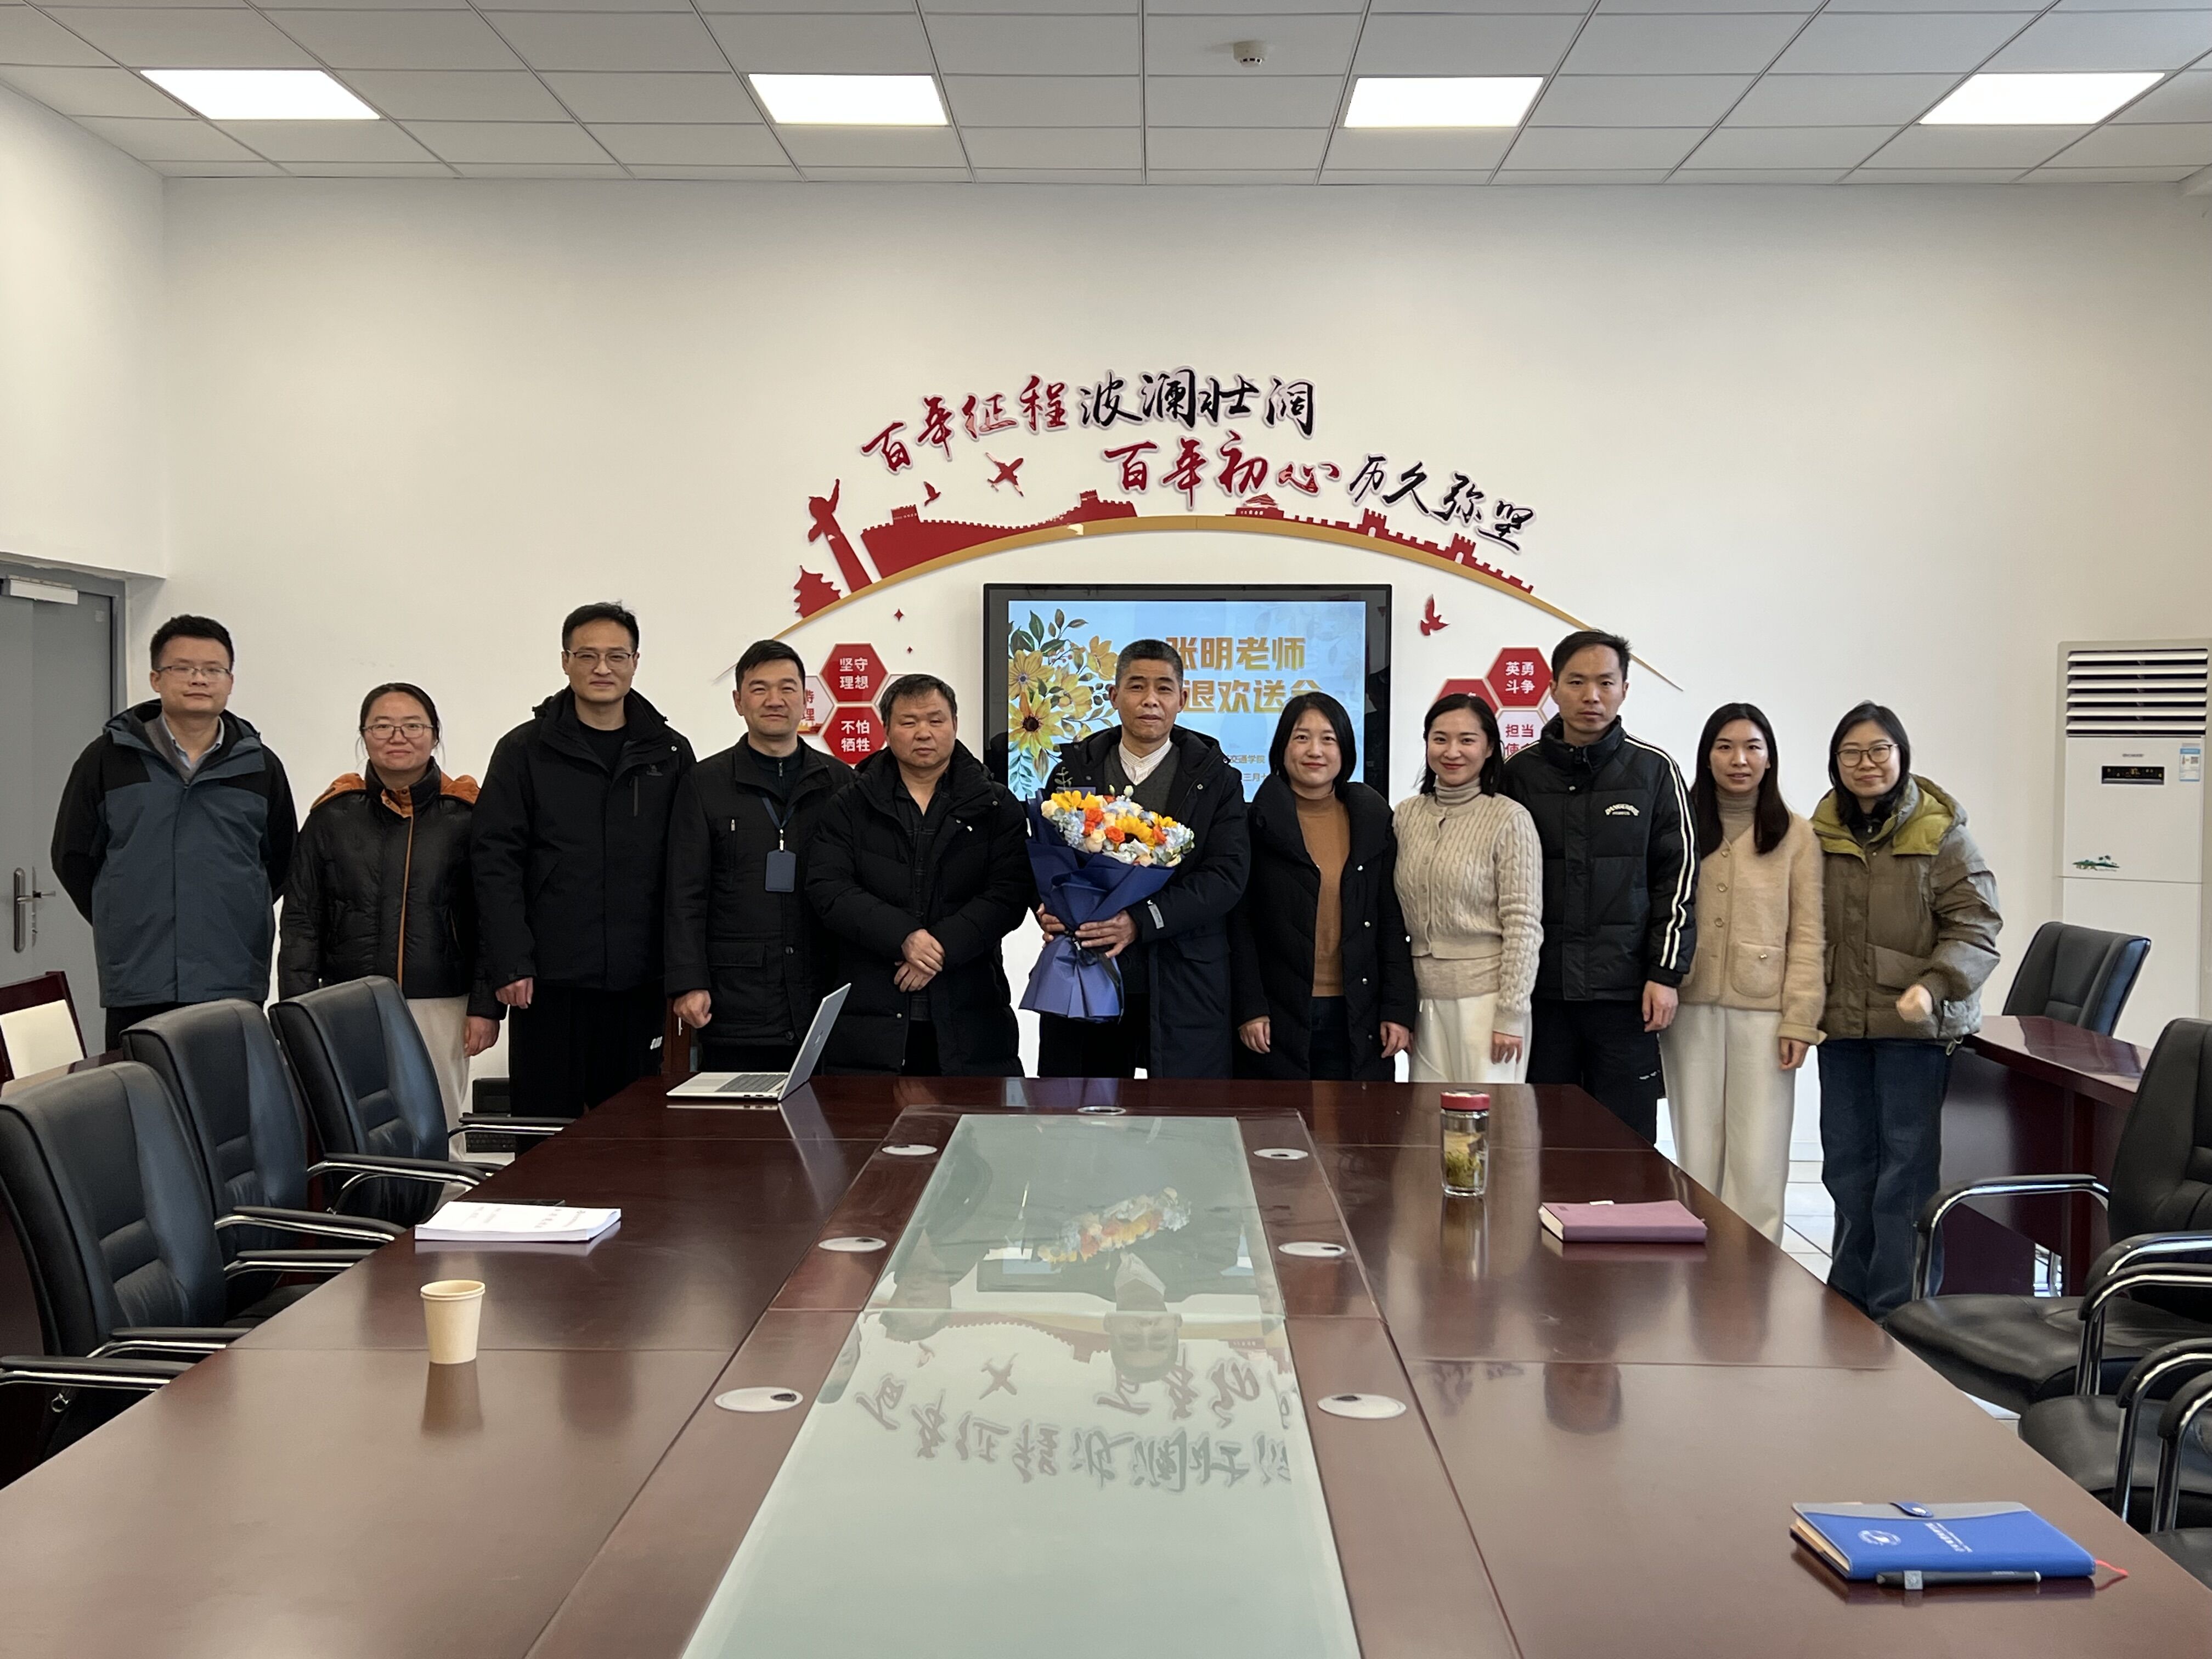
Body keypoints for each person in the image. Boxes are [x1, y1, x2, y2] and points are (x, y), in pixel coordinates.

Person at [1812, 701, 2000, 1319]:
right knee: (1847, 1169)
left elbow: (1977, 927)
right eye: (1851, 753)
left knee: (1905, 1175)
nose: (1865, 764)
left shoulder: (1941, 834)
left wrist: (1935, 985)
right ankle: (1848, 1301)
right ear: (1836, 763)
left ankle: (1900, 1314)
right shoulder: (1820, 834)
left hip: (1915, 1033)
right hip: (1842, 1027)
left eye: (1878, 750)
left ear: (1901, 755)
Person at [472, 602, 695, 1116]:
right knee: (545, 1131)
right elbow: (495, 862)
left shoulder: (669, 752)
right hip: (548, 980)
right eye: (587, 655)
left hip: (639, 980)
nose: (602, 668)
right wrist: (511, 961)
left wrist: (683, 971)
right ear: (565, 661)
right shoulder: (523, 750)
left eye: (616, 656)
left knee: (632, 1131)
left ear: (635, 662)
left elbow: (687, 869)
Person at [52, 614, 297, 1051]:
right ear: (156, 678)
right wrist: (125, 915)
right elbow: (73, 857)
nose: (199, 679)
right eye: (183, 668)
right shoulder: (108, 759)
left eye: (213, 669)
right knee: (140, 1087)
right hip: (140, 973)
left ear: (230, 681)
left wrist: (232, 911)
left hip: (231, 972)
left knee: (227, 1089)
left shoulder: (259, 765)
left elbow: (279, 861)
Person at [1503, 629, 1695, 1141]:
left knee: (1627, 1146)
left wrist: (1665, 974)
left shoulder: (1655, 772)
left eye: (1606, 683)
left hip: (1625, 996)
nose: (1592, 696)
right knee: (1545, 1140)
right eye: (1577, 682)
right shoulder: (1519, 775)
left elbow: (1677, 881)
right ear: (1553, 689)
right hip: (1544, 995)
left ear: (1624, 690)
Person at [278, 684, 500, 1127]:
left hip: (440, 1001)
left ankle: (443, 1179)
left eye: (413, 725)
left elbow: (491, 920)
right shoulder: (332, 817)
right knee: (357, 1126)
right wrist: (298, 1010)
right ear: (364, 736)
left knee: (440, 1124)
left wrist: (485, 1006)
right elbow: (302, 921)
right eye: (382, 726)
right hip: (346, 1000)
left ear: (434, 735)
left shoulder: (468, 816)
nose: (398, 737)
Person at [1036, 641, 1250, 1080]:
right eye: (1136, 686)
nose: (1150, 700)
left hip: (1185, 975)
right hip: (1089, 967)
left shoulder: (1216, 779)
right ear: (1114, 696)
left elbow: (1226, 876)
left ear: (1182, 699)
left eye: (1164, 688)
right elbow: (1043, 855)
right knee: (1082, 1111)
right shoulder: (1071, 772)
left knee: (1181, 1116)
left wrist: (1141, 920)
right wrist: (1050, 907)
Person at [806, 674, 1032, 1076]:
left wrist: (940, 946)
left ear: (955, 724)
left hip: (972, 1009)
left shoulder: (996, 804)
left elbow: (1009, 893)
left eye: (936, 720)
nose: (923, 733)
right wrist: (904, 937)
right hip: (871, 1011)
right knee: (869, 1117)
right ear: (886, 729)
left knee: (973, 1116)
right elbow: (830, 889)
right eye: (909, 722)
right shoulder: (850, 804)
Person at [1657, 703, 1825, 1244]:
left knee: (1759, 1153)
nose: (1739, 759)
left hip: (1765, 1013)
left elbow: (1808, 934)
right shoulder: (1679, 824)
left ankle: (1754, 1265)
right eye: (1725, 747)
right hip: (1690, 1007)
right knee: (1696, 1148)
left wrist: (1801, 1019)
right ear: (1706, 757)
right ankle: (1697, 1262)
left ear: (1770, 758)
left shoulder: (1796, 835)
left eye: (1753, 747)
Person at [665, 641, 855, 1073]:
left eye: (787, 688)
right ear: (738, 701)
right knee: (740, 1115)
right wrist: (687, 981)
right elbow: (684, 892)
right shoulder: (704, 784)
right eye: (759, 689)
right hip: (737, 1000)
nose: (774, 700)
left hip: (824, 995)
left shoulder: (840, 782)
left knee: (827, 1115)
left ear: (805, 699)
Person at [1230, 692, 1415, 1081]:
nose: (1315, 750)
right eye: (1301, 737)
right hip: (1277, 1014)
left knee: (1353, 1119)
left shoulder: (1372, 820)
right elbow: (1240, 925)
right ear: (1282, 748)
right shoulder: (1254, 824)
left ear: (1344, 750)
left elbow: (1390, 919)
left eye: (1328, 739)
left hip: (1358, 1009)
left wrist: (1397, 1010)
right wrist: (1250, 1007)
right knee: (1280, 1118)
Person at [1393, 692, 1542, 1086]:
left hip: (1487, 1002)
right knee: (1428, 1116)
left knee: (1489, 1119)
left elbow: (1524, 924)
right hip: (1423, 1002)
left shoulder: (1509, 819)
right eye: (1440, 739)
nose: (1452, 751)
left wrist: (1511, 1014)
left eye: (1467, 740)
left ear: (1490, 747)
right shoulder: (1406, 816)